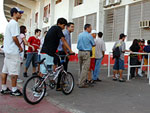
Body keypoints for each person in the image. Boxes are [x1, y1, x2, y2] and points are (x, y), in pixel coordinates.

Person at [40, 18, 74, 91]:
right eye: (63, 25)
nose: (64, 27)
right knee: (44, 73)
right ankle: (39, 90)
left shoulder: (52, 28)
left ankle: (43, 86)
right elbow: (63, 40)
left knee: (44, 70)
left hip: (45, 51)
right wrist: (70, 50)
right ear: (59, 24)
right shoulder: (58, 28)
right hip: (48, 53)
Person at [1, 7, 24, 96]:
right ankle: (14, 90)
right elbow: (14, 37)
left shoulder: (9, 23)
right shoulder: (14, 24)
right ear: (14, 13)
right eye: (19, 12)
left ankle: (3, 88)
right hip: (13, 51)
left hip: (7, 51)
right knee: (14, 71)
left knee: (5, 70)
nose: (20, 14)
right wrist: (20, 47)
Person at [77, 24, 95, 88]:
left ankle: (79, 81)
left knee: (80, 67)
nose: (91, 29)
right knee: (85, 68)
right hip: (86, 52)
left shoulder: (80, 35)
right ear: (87, 28)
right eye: (90, 28)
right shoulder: (89, 36)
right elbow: (93, 44)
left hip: (79, 52)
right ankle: (82, 83)